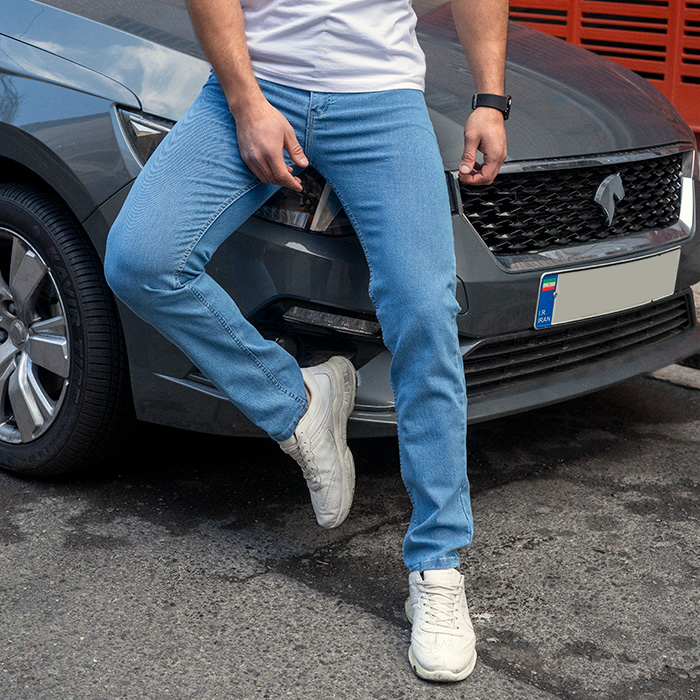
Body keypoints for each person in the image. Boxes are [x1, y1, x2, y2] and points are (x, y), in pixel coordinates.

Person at [103, 0, 508, 682]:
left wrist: (490, 99)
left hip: (381, 98)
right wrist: (245, 102)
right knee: (141, 258)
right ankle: (297, 402)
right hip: (257, 84)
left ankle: (438, 566)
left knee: (424, 313)